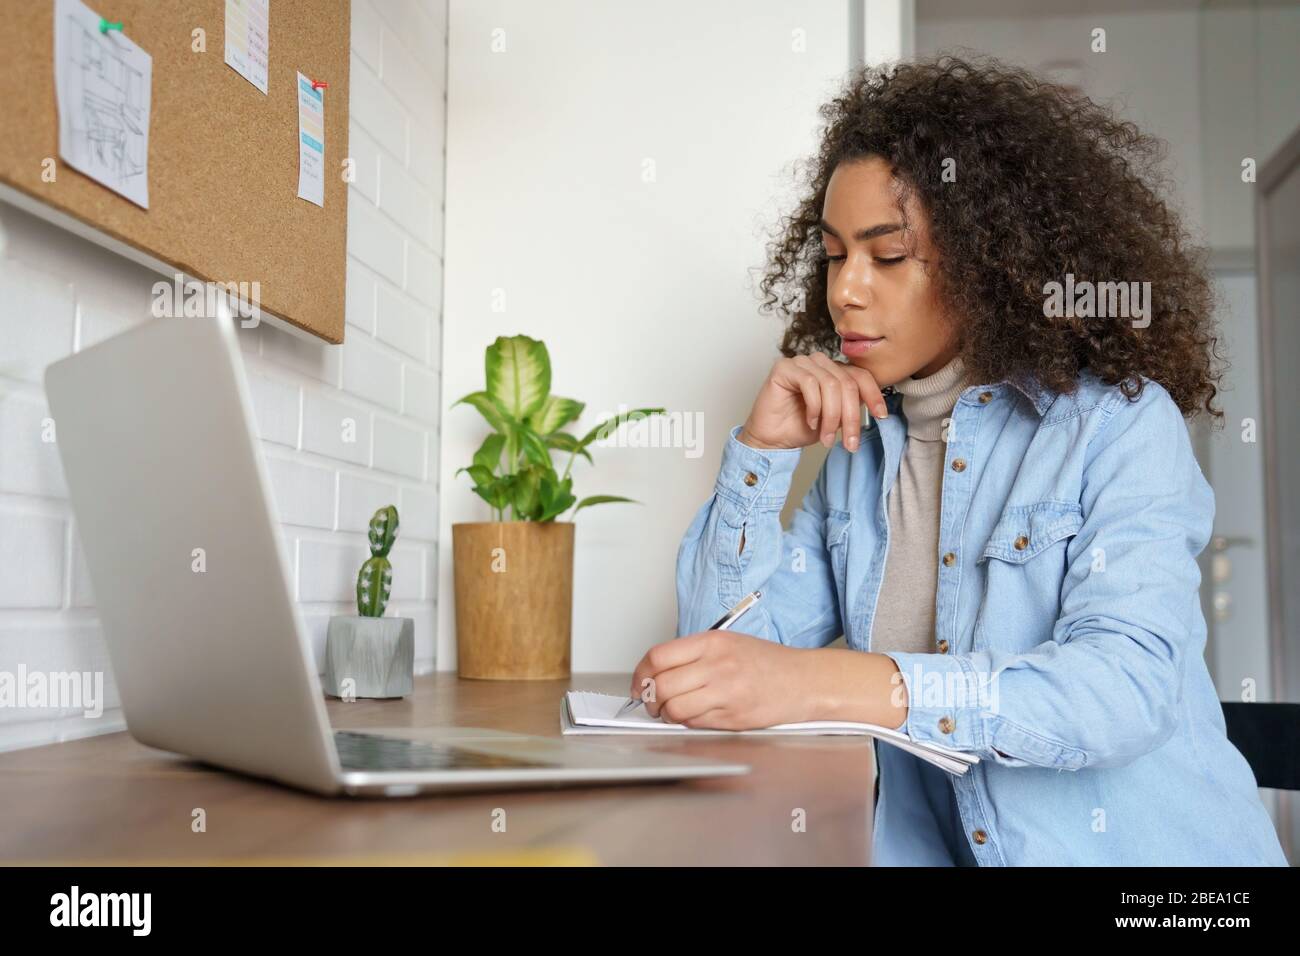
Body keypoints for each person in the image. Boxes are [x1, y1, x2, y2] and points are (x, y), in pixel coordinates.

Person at [631, 55, 1288, 866]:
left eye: (888, 255)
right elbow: (716, 659)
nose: (845, 291)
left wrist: (827, 683)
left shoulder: (1117, 425)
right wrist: (758, 457)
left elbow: (1123, 692)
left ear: (987, 264)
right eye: (836, 255)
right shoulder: (861, 449)